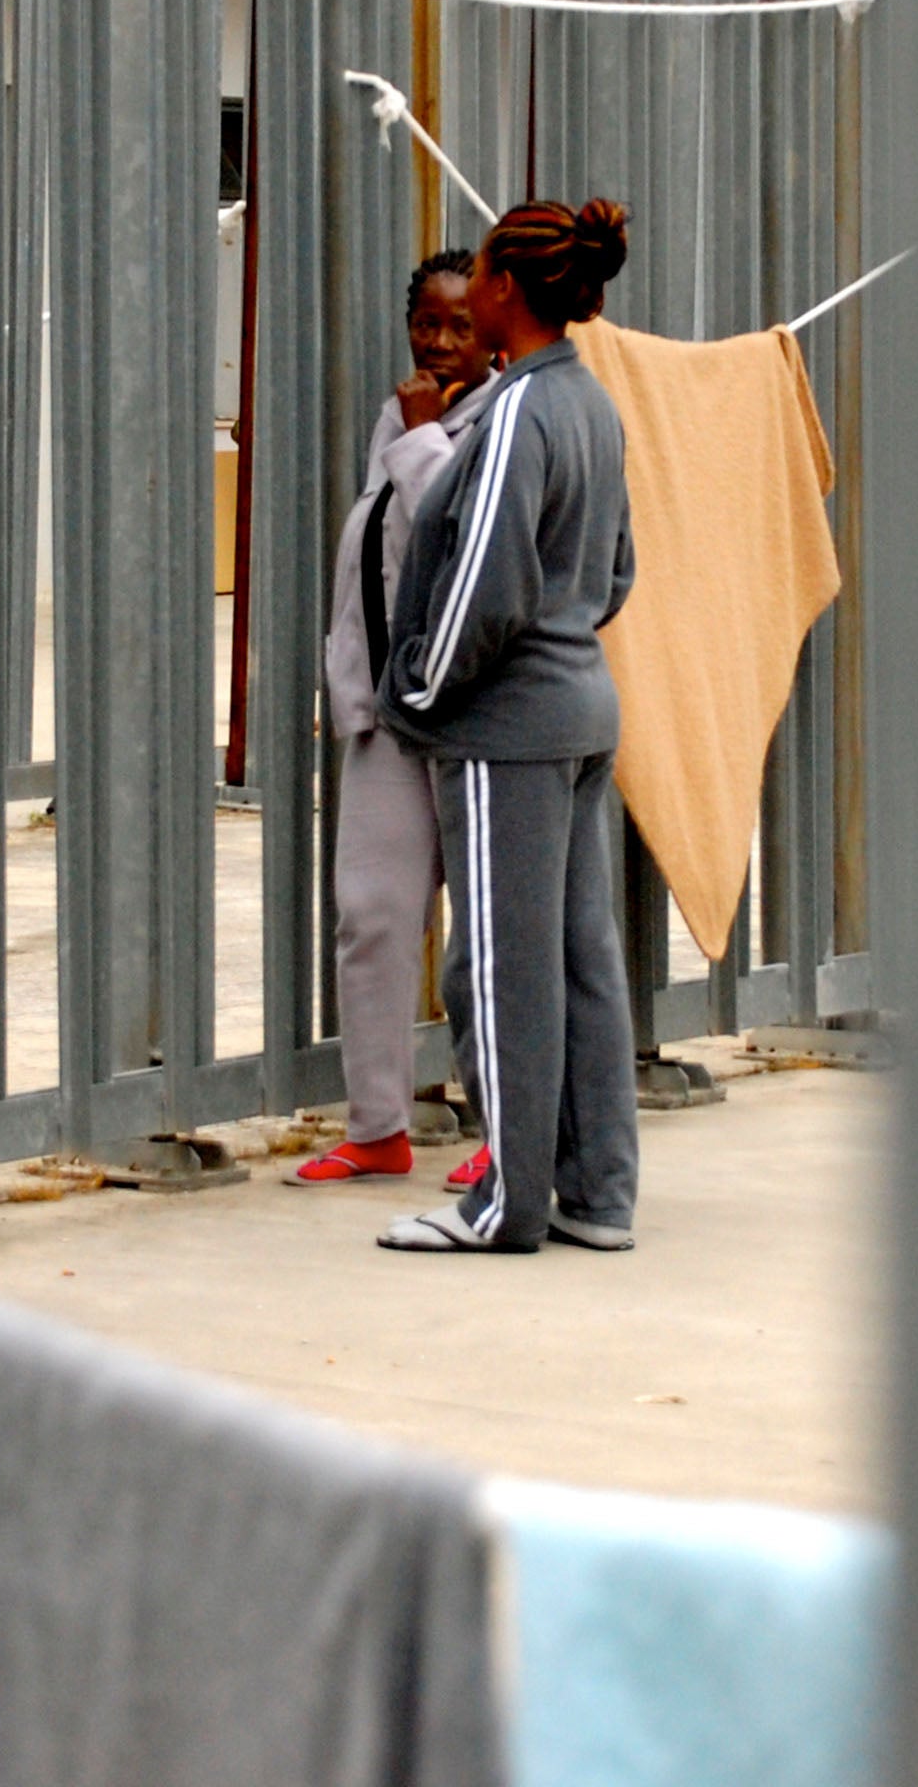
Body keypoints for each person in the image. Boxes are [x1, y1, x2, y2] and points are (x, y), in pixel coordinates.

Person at [369, 198, 639, 1254]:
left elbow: (483, 576)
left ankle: (504, 1204)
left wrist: (426, 689)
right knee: (576, 960)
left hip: (505, 728)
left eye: (478, 274)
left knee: (492, 967)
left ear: (504, 292)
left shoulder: (519, 413)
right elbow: (613, 568)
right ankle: (595, 1194)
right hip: (576, 707)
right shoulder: (590, 404)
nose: (465, 293)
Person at [287, 250, 495, 1185]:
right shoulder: (401, 411)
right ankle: (378, 1124)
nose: (443, 343)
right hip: (387, 708)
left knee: (490, 933)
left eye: (462, 325)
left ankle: (507, 1127)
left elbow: (461, 545)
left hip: (480, 711)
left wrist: (421, 438)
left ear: (494, 325)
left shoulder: (502, 417)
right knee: (371, 915)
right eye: (428, 322)